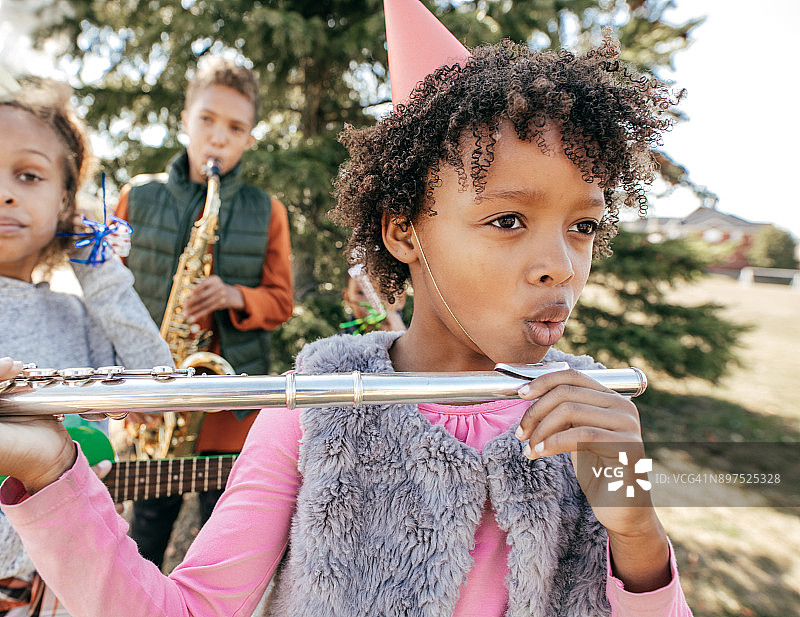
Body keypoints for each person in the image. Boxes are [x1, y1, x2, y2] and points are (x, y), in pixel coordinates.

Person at [0, 1, 693, 615]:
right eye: (508, 220)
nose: (562, 265)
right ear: (402, 228)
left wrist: (637, 531)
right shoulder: (312, 411)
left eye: (584, 226)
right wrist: (51, 474)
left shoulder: (590, 420)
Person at [114, 55, 294, 569]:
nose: (218, 137)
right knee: (144, 542)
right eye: (207, 121)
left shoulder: (268, 210)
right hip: (156, 406)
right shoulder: (136, 197)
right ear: (184, 121)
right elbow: (108, 297)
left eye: (235, 128)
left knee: (225, 552)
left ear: (249, 138)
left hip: (226, 416)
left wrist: (237, 296)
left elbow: (281, 303)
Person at [0, 77, 172, 616]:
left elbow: (157, 385)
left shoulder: (78, 317)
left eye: (28, 176)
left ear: (66, 204)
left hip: (56, 592)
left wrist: (102, 277)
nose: (4, 192)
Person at [340, 264, 407, 333]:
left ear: (400, 299)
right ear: (347, 298)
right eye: (361, 292)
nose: (373, 302)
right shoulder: (337, 343)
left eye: (384, 291)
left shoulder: (417, 340)